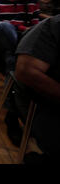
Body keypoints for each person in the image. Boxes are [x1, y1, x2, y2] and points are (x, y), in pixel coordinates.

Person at [14, 15, 60, 162]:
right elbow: (26, 70)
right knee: (5, 31)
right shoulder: (53, 26)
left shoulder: (32, 4)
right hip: (47, 103)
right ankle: (12, 110)